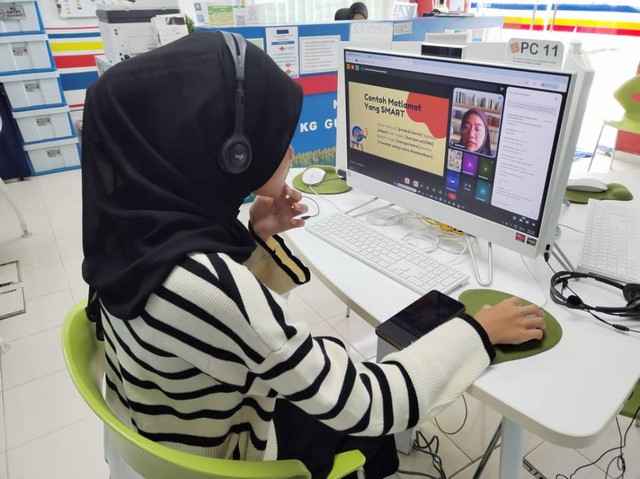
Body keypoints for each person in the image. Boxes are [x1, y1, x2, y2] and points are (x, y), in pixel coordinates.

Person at [81, 31, 546, 479]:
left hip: (170, 424)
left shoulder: (129, 229)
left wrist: (256, 235)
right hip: (230, 451)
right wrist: (478, 332)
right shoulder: (206, 285)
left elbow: (219, 328)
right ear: (231, 153)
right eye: (272, 136)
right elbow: (372, 404)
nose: (288, 150)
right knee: (369, 427)